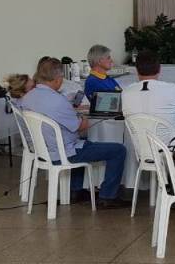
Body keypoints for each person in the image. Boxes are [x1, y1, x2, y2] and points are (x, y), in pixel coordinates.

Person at [21, 57, 127, 207]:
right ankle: (108, 196)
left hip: (42, 150)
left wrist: (70, 110)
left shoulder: (28, 97)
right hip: (62, 153)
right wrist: (83, 116)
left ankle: (75, 191)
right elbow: (81, 127)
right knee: (118, 150)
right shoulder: (58, 100)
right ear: (58, 78)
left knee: (81, 143)